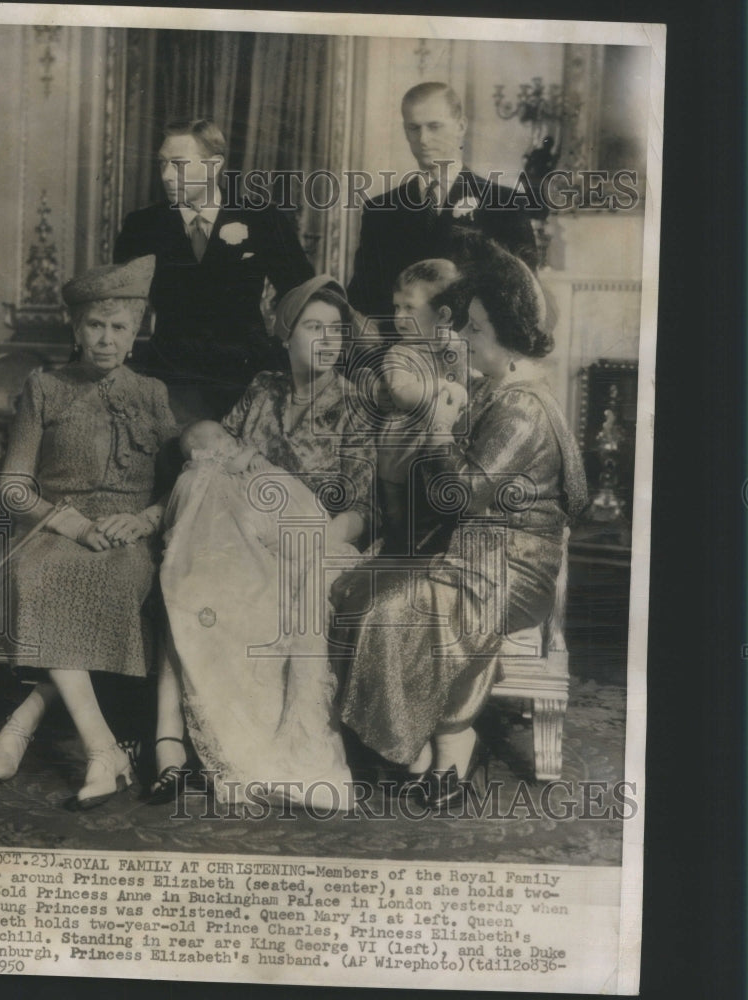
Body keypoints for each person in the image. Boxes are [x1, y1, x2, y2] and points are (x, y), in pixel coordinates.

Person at [332, 247, 587, 810]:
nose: (464, 338)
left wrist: (443, 427)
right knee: (359, 590)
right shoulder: (501, 389)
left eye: (475, 328)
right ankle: (424, 753)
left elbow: (462, 492)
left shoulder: (522, 406)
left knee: (400, 606)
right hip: (476, 551)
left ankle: (443, 750)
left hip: (511, 567)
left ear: (508, 332)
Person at [150, 275, 376, 811]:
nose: (327, 340)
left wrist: (307, 541)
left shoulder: (356, 406)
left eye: (336, 331)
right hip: (241, 533)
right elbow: (214, 460)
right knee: (198, 569)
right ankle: (171, 745)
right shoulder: (262, 389)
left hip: (315, 538)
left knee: (241, 578)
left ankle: (259, 752)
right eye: (313, 327)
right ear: (285, 333)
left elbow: (361, 510)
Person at [0, 255, 180, 809]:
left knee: (112, 586)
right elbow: (14, 487)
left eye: (119, 327)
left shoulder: (153, 395)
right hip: (53, 531)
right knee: (44, 575)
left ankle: (24, 719)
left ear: (137, 332)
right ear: (76, 328)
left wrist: (144, 520)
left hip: (126, 541)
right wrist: (71, 522)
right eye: (95, 325)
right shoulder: (43, 388)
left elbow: (182, 487)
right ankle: (103, 749)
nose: (106, 339)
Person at [114, 118, 314, 428]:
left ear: (214, 165)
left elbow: (305, 296)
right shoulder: (142, 226)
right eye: (162, 164)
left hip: (246, 379)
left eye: (178, 164)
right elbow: (118, 304)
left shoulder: (263, 219)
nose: (166, 175)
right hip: (170, 379)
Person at [347, 82, 538, 336]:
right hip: (400, 359)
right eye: (413, 128)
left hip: (474, 359)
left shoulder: (505, 204)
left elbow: (523, 298)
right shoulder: (380, 211)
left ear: (460, 126)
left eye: (434, 126)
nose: (423, 139)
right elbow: (363, 298)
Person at [375, 258, 468, 550]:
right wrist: (442, 386)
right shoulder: (398, 354)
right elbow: (402, 393)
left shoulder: (457, 347)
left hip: (437, 455)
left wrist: (463, 383)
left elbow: (469, 387)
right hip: (398, 456)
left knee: (435, 525)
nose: (399, 317)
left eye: (409, 308)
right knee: (397, 524)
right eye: (396, 307)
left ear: (442, 316)